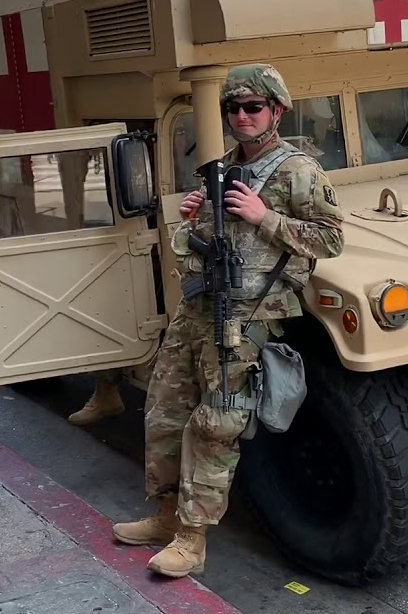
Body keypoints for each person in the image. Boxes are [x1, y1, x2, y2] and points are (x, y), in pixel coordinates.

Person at [111, 63, 345, 578]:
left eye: (253, 107)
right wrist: (192, 219)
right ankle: (166, 515)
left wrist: (266, 217)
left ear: (276, 111)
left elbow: (331, 239)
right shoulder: (219, 171)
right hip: (199, 307)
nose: (242, 116)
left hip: (246, 316)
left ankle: (192, 539)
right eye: (233, 108)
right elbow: (200, 245)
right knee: (165, 412)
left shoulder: (298, 171)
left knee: (217, 424)